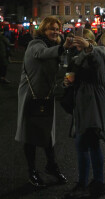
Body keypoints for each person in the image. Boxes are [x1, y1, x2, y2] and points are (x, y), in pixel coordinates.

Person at [14, 16, 68, 188]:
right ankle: (32, 171)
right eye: (51, 28)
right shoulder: (35, 44)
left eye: (57, 28)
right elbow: (41, 54)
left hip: (45, 95)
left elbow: (56, 72)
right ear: (43, 30)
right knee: (30, 134)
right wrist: (62, 48)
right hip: (31, 95)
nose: (55, 31)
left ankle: (51, 165)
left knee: (47, 133)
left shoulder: (54, 47)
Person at [63, 29, 105, 198]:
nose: (79, 44)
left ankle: (93, 183)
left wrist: (88, 47)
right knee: (84, 144)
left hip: (92, 105)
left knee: (88, 142)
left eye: (82, 41)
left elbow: (98, 63)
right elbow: (69, 75)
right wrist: (67, 81)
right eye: (78, 41)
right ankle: (94, 183)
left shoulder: (98, 53)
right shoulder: (76, 57)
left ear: (90, 41)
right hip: (80, 104)